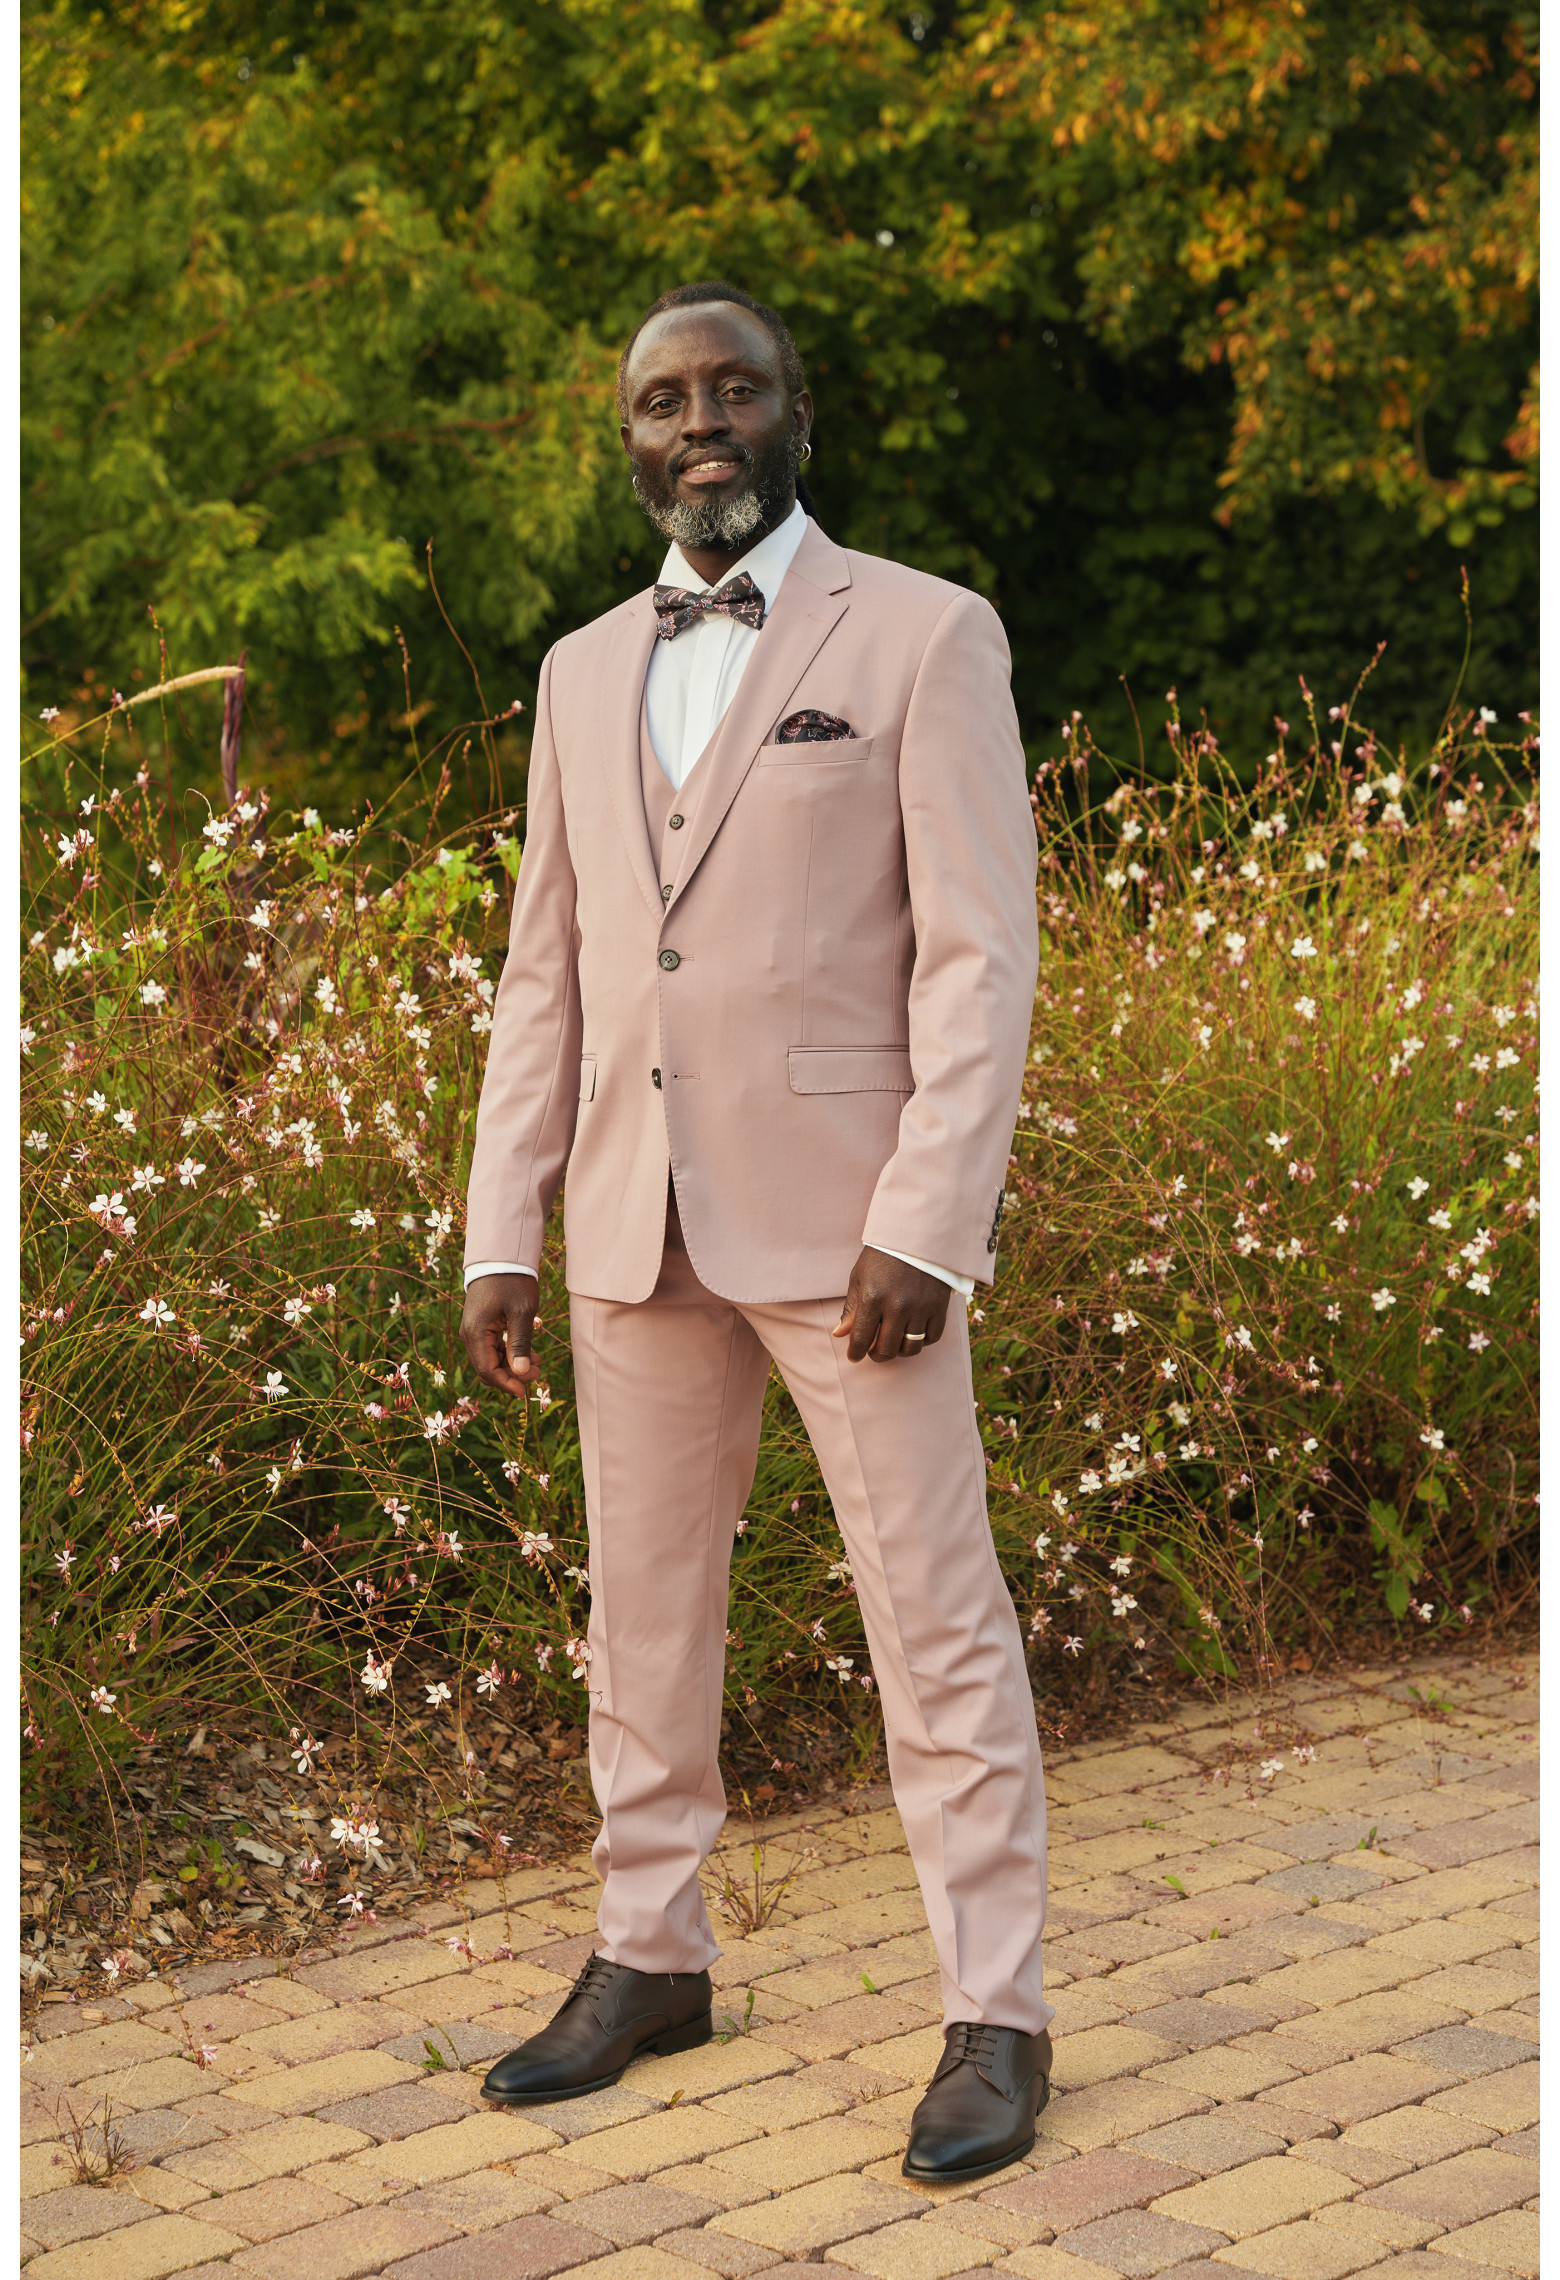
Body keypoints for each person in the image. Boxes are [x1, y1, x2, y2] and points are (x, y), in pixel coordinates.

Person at [459, 281, 1050, 2181]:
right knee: (643, 1624)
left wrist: (932, 1220)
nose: (697, 423)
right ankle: (650, 1956)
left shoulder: (926, 635)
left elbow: (979, 956)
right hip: (633, 1227)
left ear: (801, 411)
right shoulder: (573, 670)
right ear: (625, 436)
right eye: (661, 399)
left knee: (933, 1627)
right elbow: (542, 967)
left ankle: (998, 2012)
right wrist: (504, 1227)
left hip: (852, 1238)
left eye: (734, 390)